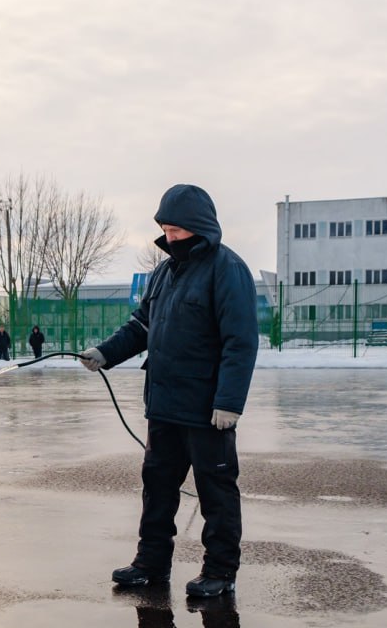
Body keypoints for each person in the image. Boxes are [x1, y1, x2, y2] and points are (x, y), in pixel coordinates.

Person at [80, 184, 258, 598]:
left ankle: (220, 571)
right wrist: (105, 353)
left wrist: (229, 402)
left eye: (177, 229)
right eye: (165, 228)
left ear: (198, 227)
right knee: (157, 489)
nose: (170, 236)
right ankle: (151, 564)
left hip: (207, 411)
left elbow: (240, 341)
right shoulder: (163, 273)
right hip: (164, 406)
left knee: (216, 493)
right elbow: (141, 327)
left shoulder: (226, 269)